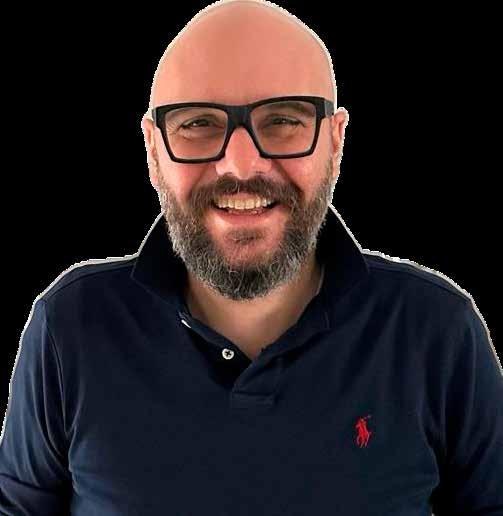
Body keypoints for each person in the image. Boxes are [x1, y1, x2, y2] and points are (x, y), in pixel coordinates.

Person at [1, 0, 502, 514]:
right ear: (153, 150)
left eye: (282, 120)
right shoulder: (69, 329)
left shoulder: (437, 331)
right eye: (198, 123)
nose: (240, 165)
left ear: (335, 142)